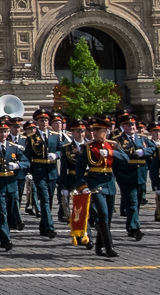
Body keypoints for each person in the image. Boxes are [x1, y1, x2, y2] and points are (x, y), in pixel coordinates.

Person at [75, 117, 128, 257]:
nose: (96, 133)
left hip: (109, 182)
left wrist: (111, 153)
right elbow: (79, 168)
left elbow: (125, 159)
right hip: (95, 184)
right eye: (94, 130)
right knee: (103, 215)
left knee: (108, 218)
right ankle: (109, 247)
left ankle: (99, 247)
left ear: (106, 132)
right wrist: (82, 185)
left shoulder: (113, 145)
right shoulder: (87, 147)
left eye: (99, 130)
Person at [0, 117, 29, 250]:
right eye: (1, 132)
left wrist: (17, 165)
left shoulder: (13, 148)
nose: (4, 135)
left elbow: (26, 162)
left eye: (6, 132)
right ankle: (6, 238)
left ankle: (5, 236)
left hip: (11, 184)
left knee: (10, 211)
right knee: (2, 212)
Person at [112, 111, 154, 241]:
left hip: (141, 174)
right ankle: (136, 228)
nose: (132, 127)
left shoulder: (143, 138)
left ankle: (130, 227)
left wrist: (144, 151)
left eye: (133, 124)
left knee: (137, 203)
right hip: (125, 175)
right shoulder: (117, 140)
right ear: (123, 126)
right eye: (128, 125)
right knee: (131, 201)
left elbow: (153, 148)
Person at [25, 108, 62, 239]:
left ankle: (43, 227)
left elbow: (62, 150)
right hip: (39, 172)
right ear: (37, 122)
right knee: (45, 200)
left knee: (50, 201)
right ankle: (50, 228)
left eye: (46, 120)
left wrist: (56, 155)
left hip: (52, 172)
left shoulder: (55, 137)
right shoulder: (31, 137)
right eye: (42, 120)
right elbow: (27, 156)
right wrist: (29, 172)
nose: (44, 123)